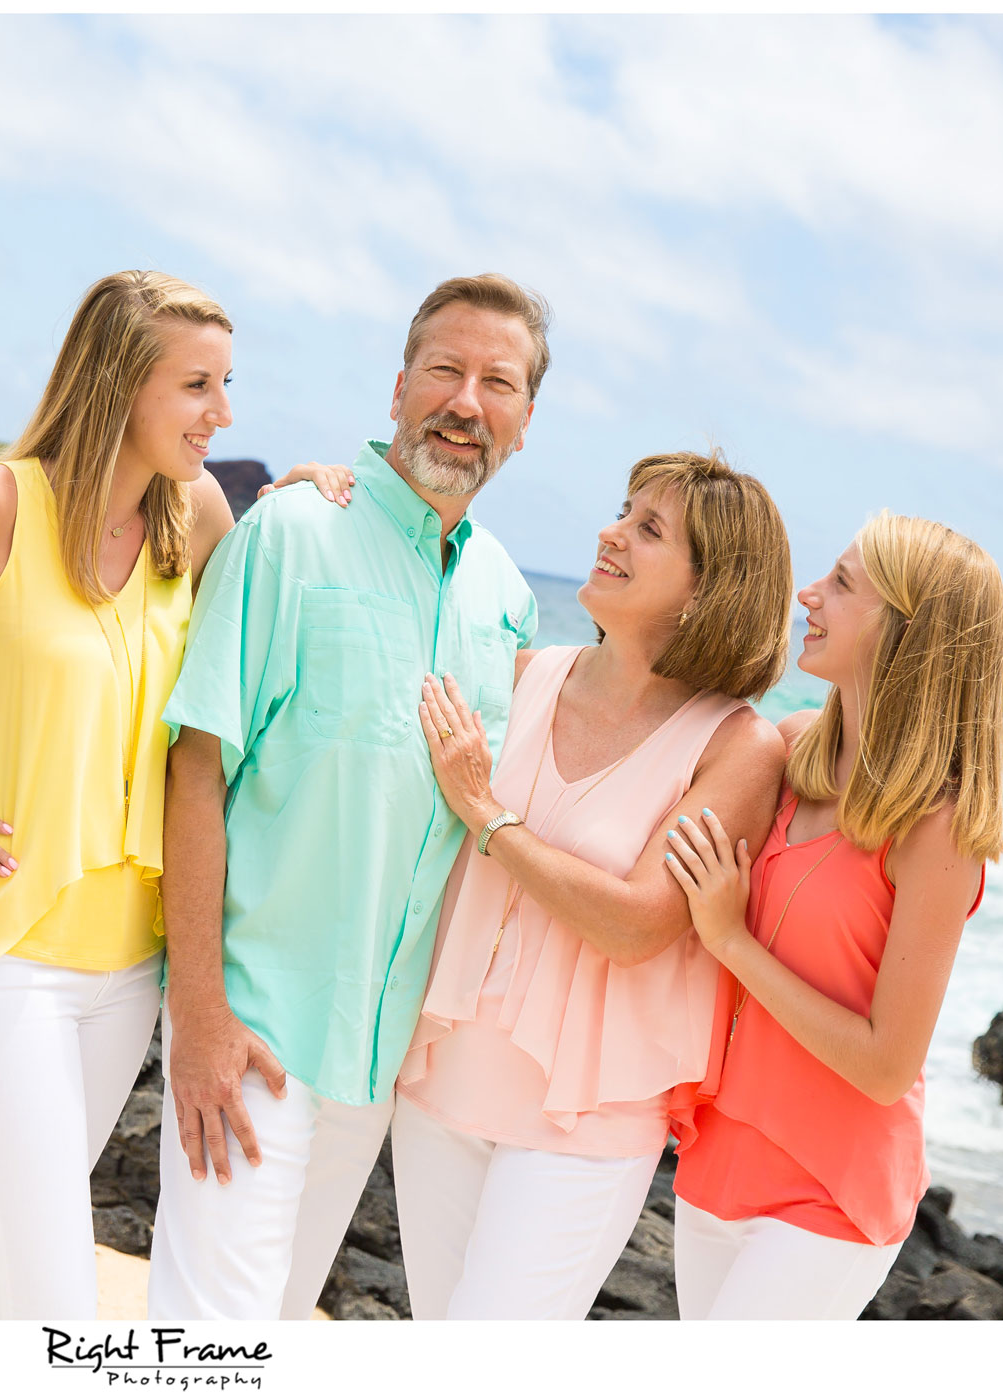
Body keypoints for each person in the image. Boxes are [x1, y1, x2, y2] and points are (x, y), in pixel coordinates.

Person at [0, 271, 348, 1320]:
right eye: (196, 385)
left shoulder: (195, 512)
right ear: (117, 383)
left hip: (128, 971)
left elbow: (267, 631)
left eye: (225, 384)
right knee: (48, 1296)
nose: (221, 412)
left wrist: (301, 516)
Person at [148, 273, 549, 1320]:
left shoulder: (505, 598)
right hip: (253, 1026)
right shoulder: (288, 534)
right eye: (444, 370)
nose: (465, 401)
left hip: (377, 1065)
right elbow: (196, 768)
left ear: (523, 420)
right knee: (206, 1342)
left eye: (495, 382)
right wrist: (196, 1009)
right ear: (397, 387)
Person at [394, 450, 794, 1319]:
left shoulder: (735, 746)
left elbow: (640, 923)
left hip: (586, 1124)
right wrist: (332, 493)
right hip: (438, 1084)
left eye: (647, 530)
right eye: (624, 512)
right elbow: (376, 638)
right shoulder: (522, 675)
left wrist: (487, 816)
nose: (609, 534)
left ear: (706, 589)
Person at [664, 514, 1003, 1320]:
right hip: (718, 1157)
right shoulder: (790, 750)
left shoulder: (940, 826)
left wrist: (731, 941)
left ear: (909, 634)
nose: (808, 595)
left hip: (833, 1187)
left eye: (844, 584)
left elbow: (888, 1065)